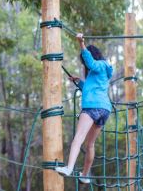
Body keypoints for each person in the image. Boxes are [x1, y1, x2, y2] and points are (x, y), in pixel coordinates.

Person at [55, 33, 113, 184]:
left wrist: (81, 43)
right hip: (104, 110)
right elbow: (90, 88)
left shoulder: (100, 64)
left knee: (78, 139)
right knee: (90, 144)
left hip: (92, 108)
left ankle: (69, 168)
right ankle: (85, 175)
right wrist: (79, 82)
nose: (85, 65)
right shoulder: (100, 73)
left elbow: (91, 63)